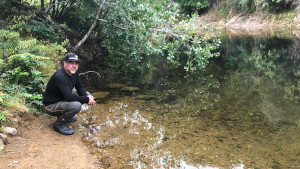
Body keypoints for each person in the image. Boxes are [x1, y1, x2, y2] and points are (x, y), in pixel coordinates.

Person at [43, 53, 96, 135]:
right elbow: (68, 97)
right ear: (65, 63)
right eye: (71, 63)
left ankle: (68, 116)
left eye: (76, 63)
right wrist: (87, 99)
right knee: (76, 106)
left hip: (62, 99)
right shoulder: (60, 76)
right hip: (51, 105)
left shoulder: (74, 74)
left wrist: (88, 96)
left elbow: (80, 87)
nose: (74, 66)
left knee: (86, 93)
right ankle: (59, 123)